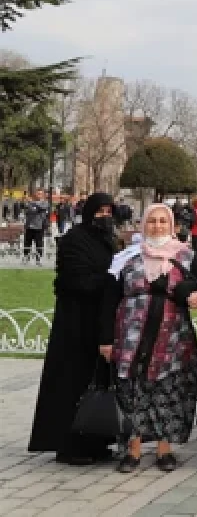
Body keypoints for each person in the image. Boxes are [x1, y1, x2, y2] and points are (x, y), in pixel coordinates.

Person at [99, 203, 197, 473]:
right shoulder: (127, 258)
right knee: (131, 390)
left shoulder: (184, 256)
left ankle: (164, 448)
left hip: (172, 339)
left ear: (172, 226)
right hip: (130, 337)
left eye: (162, 222)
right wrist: (105, 339)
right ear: (143, 224)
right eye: (152, 221)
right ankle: (132, 448)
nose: (157, 226)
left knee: (168, 390)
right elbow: (108, 299)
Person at [28, 193, 120, 464]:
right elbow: (76, 280)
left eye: (108, 211)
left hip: (100, 322)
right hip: (75, 324)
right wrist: (112, 278)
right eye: (100, 211)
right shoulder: (73, 240)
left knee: (98, 382)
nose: (104, 216)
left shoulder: (108, 241)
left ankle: (96, 440)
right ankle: (68, 445)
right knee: (72, 383)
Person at [23, 188, 51, 264]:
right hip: (29, 226)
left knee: (39, 243)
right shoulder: (31, 203)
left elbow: (41, 208)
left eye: (40, 194)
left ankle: (38, 259)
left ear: (43, 195)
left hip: (39, 226)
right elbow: (27, 210)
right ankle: (26, 258)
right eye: (37, 193)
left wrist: (32, 203)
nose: (38, 195)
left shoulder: (45, 203)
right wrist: (26, 201)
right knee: (27, 243)